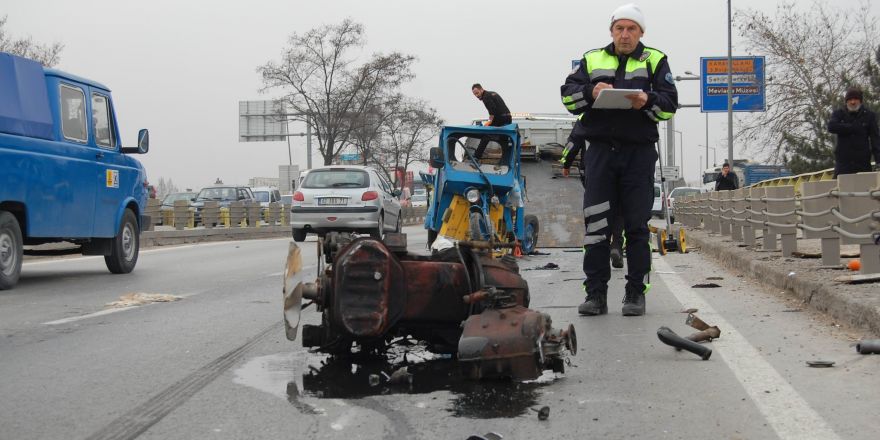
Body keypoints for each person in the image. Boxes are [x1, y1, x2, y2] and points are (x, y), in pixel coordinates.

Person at [560, 3, 678, 316]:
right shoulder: (591, 58)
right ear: (611, 31)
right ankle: (596, 295)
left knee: (637, 226)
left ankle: (635, 293)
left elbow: (668, 106)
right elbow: (568, 97)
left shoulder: (656, 60)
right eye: (619, 28)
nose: (625, 35)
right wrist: (590, 91)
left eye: (631, 29)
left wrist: (646, 99)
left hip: (638, 154)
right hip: (599, 152)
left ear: (641, 33)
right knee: (596, 226)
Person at [560, 124, 625, 269]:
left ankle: (600, 246)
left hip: (593, 170)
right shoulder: (623, 113)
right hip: (620, 169)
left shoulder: (587, 116)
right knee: (620, 208)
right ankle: (617, 243)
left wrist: (566, 163)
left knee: (597, 208)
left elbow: (573, 142)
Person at [827, 88, 880, 177]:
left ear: (860, 101)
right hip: (843, 164)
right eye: (850, 100)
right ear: (846, 102)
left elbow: (875, 140)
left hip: (863, 164)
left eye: (855, 99)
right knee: (839, 189)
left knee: (864, 189)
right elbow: (831, 127)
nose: (853, 102)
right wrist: (851, 127)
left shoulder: (869, 116)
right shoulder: (839, 114)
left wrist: (879, 161)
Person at [472, 83, 512, 159]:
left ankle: (476, 156)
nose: (477, 96)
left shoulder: (485, 97)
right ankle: (506, 159)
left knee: (486, 135)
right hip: (508, 118)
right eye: (475, 95)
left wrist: (490, 122)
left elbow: (493, 110)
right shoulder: (492, 93)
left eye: (477, 93)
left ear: (481, 89)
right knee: (504, 139)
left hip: (500, 118)